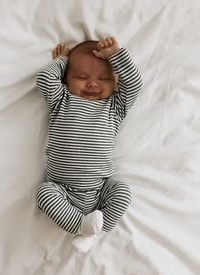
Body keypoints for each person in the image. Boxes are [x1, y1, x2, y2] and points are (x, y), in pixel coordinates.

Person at [35, 36, 143, 254]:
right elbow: (45, 79)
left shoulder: (115, 106)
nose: (93, 83)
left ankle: (94, 232)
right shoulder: (61, 100)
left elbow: (134, 84)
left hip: (100, 190)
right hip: (61, 188)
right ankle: (83, 227)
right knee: (44, 194)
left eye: (104, 78)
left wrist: (116, 55)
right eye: (81, 77)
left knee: (122, 192)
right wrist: (63, 61)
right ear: (66, 79)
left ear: (115, 83)